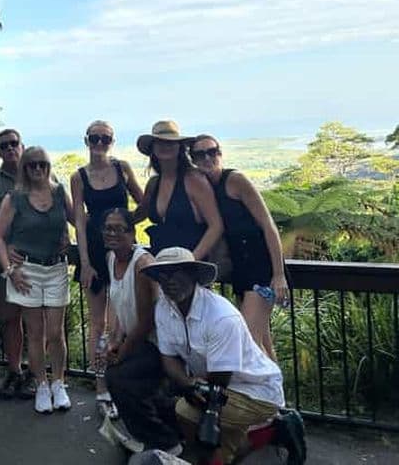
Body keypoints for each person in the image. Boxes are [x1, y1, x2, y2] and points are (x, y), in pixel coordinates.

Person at [142, 246, 285, 465]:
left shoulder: (221, 316)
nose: (168, 280)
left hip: (256, 389)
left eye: (176, 272)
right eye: (163, 274)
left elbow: (221, 378)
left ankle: (270, 427)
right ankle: (255, 439)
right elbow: (169, 360)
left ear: (193, 275)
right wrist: (189, 384)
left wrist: (193, 389)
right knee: (211, 434)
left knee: (187, 411)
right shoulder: (164, 307)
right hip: (214, 386)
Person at [190, 134, 289, 360]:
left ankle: (259, 395)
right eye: (200, 154)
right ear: (193, 159)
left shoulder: (235, 180)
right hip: (241, 272)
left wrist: (279, 274)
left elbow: (268, 225)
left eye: (212, 151)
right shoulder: (206, 190)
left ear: (220, 153)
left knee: (247, 343)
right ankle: (274, 394)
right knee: (262, 344)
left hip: (261, 270)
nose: (207, 158)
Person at [0, 146, 75, 414]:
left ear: (48, 166)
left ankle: (58, 382)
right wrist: (9, 270)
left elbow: (78, 222)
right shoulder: (15, 198)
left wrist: (72, 244)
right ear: (24, 169)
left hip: (56, 268)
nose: (38, 169)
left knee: (55, 332)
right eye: (32, 165)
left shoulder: (60, 193)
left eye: (42, 164)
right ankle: (41, 384)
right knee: (35, 334)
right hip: (26, 270)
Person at [70, 120, 143, 416]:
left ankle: (123, 380)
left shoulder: (122, 168)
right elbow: (79, 223)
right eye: (94, 138)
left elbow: (144, 202)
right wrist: (85, 263)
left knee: (125, 319)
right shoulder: (79, 177)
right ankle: (101, 386)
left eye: (105, 138)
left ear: (112, 141)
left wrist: (125, 227)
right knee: (98, 323)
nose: (99, 143)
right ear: (86, 140)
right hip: (97, 253)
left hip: (124, 250)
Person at [101, 210, 182, 454]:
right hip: (139, 339)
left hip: (160, 343)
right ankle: (156, 431)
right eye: (108, 228)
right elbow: (117, 303)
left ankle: (165, 441)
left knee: (119, 377)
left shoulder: (142, 264)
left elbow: (147, 320)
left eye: (119, 228)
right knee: (119, 373)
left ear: (132, 232)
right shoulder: (111, 258)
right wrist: (114, 339)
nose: (112, 233)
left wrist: (122, 352)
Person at [0, 128, 36, 400]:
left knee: (37, 321)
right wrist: (5, 249)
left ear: (22, 146)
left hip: (37, 260)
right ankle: (15, 371)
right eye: (4, 145)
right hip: (6, 262)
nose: (10, 148)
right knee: (10, 318)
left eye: (15, 143)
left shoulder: (39, 172)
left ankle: (36, 374)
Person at [134, 120, 223, 259]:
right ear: (153, 148)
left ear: (179, 147)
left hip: (191, 266)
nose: (165, 146)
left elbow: (216, 226)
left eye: (170, 142)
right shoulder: (154, 184)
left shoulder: (194, 179)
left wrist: (192, 259)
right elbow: (139, 214)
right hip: (161, 262)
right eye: (160, 142)